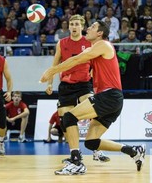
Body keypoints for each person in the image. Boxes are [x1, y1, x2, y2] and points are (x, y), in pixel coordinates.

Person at [40, 20, 146, 175]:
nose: (88, 28)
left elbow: (76, 60)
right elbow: (78, 61)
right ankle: (133, 151)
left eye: (92, 27)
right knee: (91, 142)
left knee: (69, 118)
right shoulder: (95, 48)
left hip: (109, 95)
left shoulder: (103, 44)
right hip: (112, 99)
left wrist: (52, 71)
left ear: (100, 33)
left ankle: (76, 162)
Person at [45, 14, 110, 164]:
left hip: (84, 84)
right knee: (65, 120)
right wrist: (49, 83)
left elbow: (95, 65)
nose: (74, 27)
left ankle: (96, 149)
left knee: (93, 112)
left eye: (76, 24)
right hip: (66, 85)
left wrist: (96, 82)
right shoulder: (62, 43)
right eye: (71, 24)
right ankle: (75, 153)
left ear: (82, 27)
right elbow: (55, 65)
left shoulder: (89, 43)